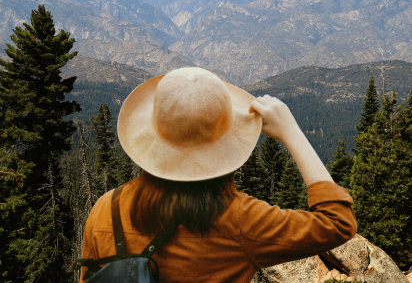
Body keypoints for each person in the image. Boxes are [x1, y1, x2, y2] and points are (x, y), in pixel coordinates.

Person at [80, 67, 356, 283]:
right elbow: (338, 222)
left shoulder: (107, 208)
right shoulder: (240, 222)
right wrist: (292, 133)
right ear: (226, 144)